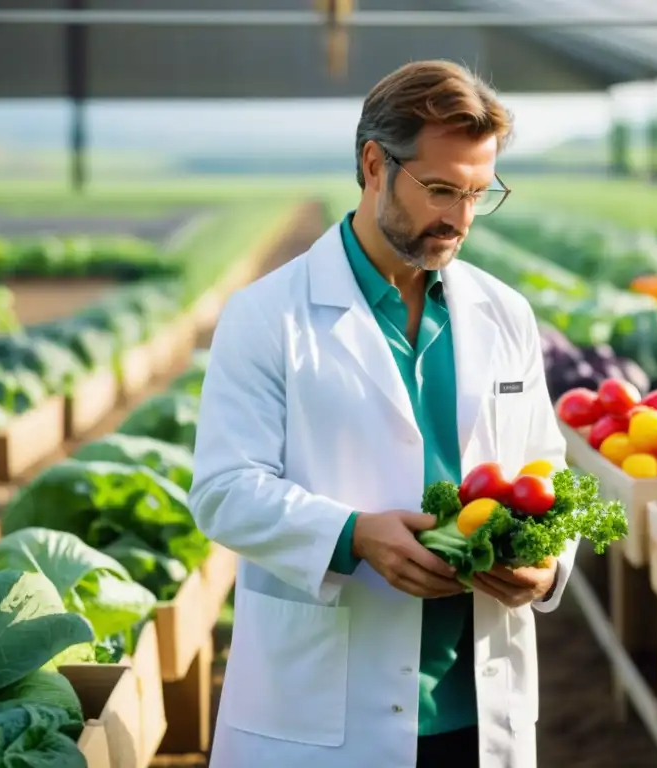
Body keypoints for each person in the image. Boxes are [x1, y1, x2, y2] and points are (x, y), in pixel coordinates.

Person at [189, 59, 578, 768]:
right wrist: (351, 535)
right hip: (324, 716)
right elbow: (222, 490)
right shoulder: (267, 316)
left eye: (477, 193)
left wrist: (548, 568)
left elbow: (544, 468)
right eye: (439, 189)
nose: (459, 218)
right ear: (374, 164)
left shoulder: (505, 314)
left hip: (478, 706)